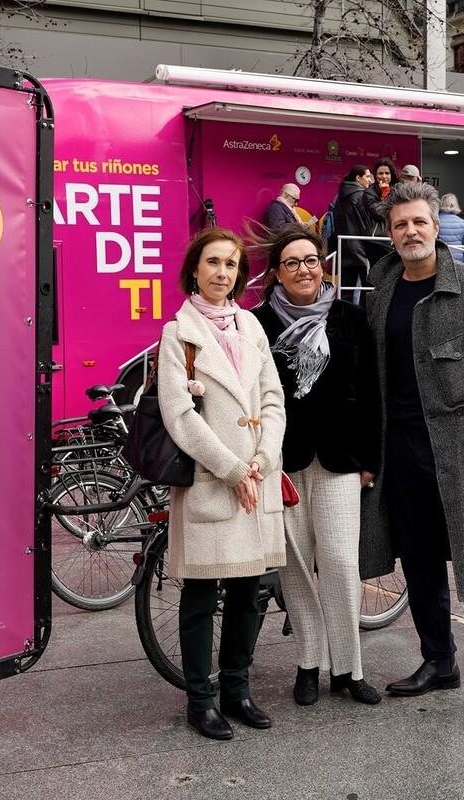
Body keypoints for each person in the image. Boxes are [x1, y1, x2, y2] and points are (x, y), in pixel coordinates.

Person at [360, 181, 464, 736]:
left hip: (462, 453)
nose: (410, 232)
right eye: (400, 224)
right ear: (389, 232)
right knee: (420, 564)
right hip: (400, 451)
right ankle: (439, 660)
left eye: (419, 223)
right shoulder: (380, 290)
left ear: (437, 226)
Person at [157, 228, 287, 741]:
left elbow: (273, 397)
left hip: (258, 477)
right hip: (212, 483)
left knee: (246, 591)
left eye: (231, 265)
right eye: (213, 262)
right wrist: (233, 469)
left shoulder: (250, 324)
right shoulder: (179, 333)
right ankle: (200, 700)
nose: (222, 273)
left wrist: (263, 457)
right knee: (200, 593)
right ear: (194, 269)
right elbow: (179, 415)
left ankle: (237, 689)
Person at [251, 225, 383, 707]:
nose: (303, 269)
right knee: (296, 568)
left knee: (342, 563)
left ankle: (349, 668)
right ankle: (309, 663)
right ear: (277, 272)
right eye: (292, 262)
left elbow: (371, 392)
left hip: (341, 460)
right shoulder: (258, 324)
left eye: (310, 260)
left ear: (323, 264)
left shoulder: (350, 317)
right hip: (281, 461)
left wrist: (371, 458)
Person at [331, 165, 376, 303]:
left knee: (345, 291)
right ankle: (363, 321)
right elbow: (368, 223)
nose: (370, 180)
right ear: (358, 178)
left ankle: (346, 322)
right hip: (360, 248)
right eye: (367, 176)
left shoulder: (340, 196)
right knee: (368, 290)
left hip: (344, 248)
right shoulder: (361, 196)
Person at [437, 193, 464, 264]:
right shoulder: (463, 223)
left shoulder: (436, 222)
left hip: (440, 259)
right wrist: (463, 261)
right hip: (458, 261)